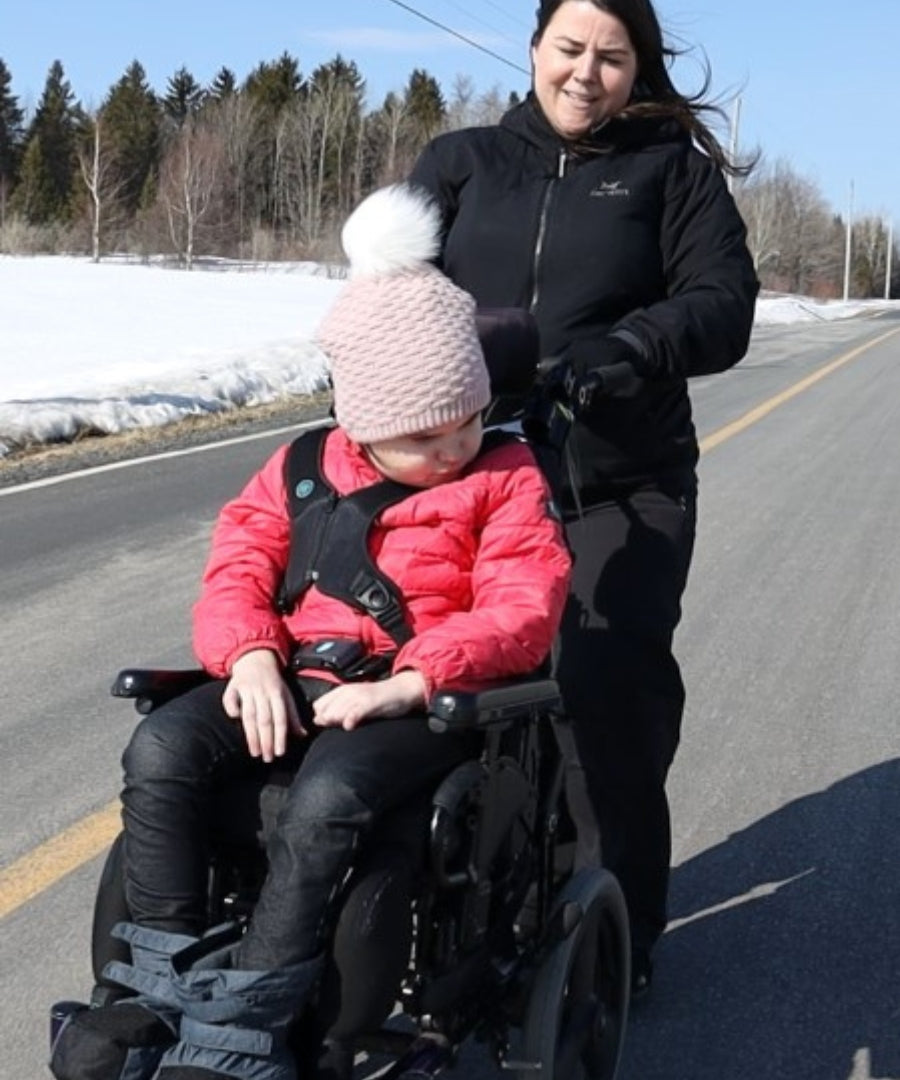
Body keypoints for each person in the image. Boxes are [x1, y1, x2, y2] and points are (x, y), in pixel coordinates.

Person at [51, 184, 571, 1080]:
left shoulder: (506, 476)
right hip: (291, 673)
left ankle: (248, 1021)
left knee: (325, 798)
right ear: (361, 423)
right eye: (424, 436)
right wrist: (248, 652)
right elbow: (236, 569)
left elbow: (526, 600)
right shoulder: (298, 468)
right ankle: (156, 983)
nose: (453, 449)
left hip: (422, 699)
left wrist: (411, 681)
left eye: (468, 421)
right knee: (164, 746)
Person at [409, 0, 760, 1000]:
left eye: (612, 57)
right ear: (532, 51)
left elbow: (721, 303)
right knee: (442, 685)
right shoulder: (463, 162)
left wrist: (632, 348)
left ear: (636, 66)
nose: (586, 73)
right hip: (471, 477)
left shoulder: (669, 171)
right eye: (569, 49)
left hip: (620, 480)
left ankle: (617, 938)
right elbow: (398, 289)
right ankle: (447, 902)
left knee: (604, 692)